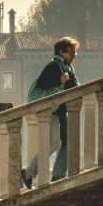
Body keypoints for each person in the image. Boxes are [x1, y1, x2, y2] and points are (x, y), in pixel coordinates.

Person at [36, 36, 80, 181]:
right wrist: (60, 82)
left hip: (63, 110)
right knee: (57, 143)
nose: (74, 56)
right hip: (55, 111)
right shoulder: (53, 66)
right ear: (62, 52)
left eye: (75, 53)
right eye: (71, 52)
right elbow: (43, 84)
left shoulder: (68, 67)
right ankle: (37, 172)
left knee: (67, 142)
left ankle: (57, 174)